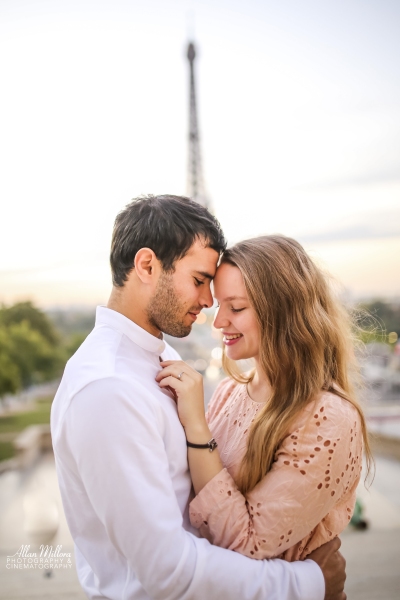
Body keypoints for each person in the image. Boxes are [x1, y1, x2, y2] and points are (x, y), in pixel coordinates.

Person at [51, 196, 346, 600]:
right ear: (147, 266)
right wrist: (306, 583)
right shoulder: (107, 389)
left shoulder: (161, 358)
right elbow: (167, 571)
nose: (209, 303)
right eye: (198, 281)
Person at [157, 234, 373, 564]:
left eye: (237, 307)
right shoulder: (231, 392)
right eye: (219, 306)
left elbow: (249, 543)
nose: (218, 322)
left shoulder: (329, 418)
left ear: (283, 311)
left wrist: (197, 427)